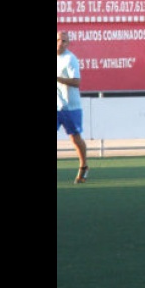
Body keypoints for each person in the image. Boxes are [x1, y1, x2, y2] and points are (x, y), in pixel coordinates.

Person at [57, 31, 90, 183]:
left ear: (68, 43)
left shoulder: (70, 59)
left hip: (71, 107)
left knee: (75, 138)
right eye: (59, 40)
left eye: (64, 41)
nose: (61, 43)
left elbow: (76, 82)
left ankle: (83, 165)